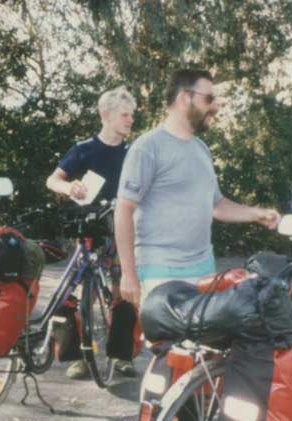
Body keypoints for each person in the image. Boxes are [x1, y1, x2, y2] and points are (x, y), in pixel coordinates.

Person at [114, 68, 279, 309]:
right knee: (171, 347)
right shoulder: (148, 147)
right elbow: (123, 210)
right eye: (208, 99)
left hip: (204, 270)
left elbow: (217, 205)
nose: (215, 106)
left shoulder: (201, 149)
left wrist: (256, 214)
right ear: (184, 98)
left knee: (204, 345)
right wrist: (128, 275)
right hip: (161, 271)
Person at [46, 86, 137, 379]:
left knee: (122, 292)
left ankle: (122, 356)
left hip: (120, 229)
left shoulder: (134, 153)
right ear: (105, 115)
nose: (130, 120)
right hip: (89, 227)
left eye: (132, 115)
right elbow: (53, 180)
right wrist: (68, 186)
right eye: (125, 115)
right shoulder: (84, 149)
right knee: (69, 292)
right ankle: (77, 356)